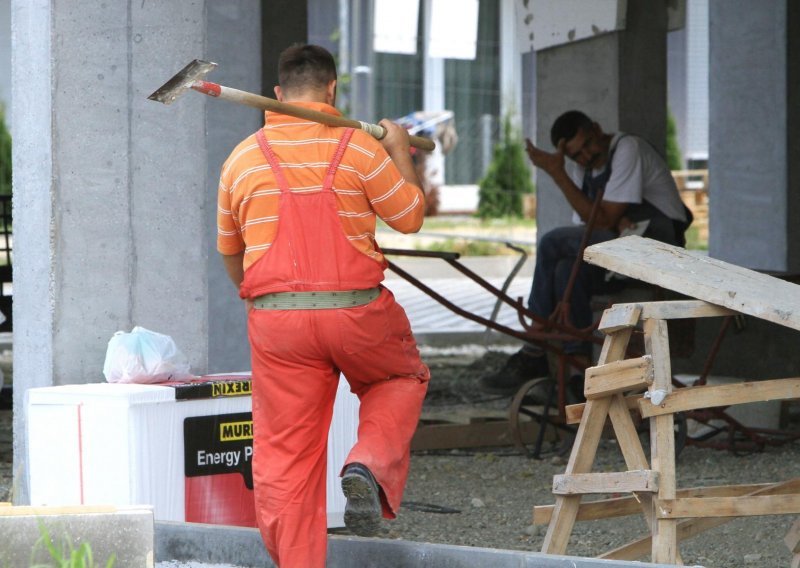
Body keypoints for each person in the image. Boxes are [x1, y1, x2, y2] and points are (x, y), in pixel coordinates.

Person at [217, 44, 430, 568]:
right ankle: (368, 463)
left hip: (277, 322)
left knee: (286, 461)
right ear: (333, 90)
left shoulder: (242, 160)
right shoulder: (360, 148)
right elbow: (409, 217)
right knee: (397, 379)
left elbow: (231, 253)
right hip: (358, 313)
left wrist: (267, 304)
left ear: (277, 95)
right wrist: (400, 147)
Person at [480, 110, 691, 395]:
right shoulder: (584, 170)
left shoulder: (628, 149)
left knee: (552, 243)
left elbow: (600, 222)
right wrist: (612, 219)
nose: (586, 157)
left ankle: (534, 349)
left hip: (658, 245)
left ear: (597, 128)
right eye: (576, 156)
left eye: (588, 146)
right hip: (623, 249)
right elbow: (590, 227)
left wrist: (558, 174)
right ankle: (579, 371)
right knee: (566, 269)